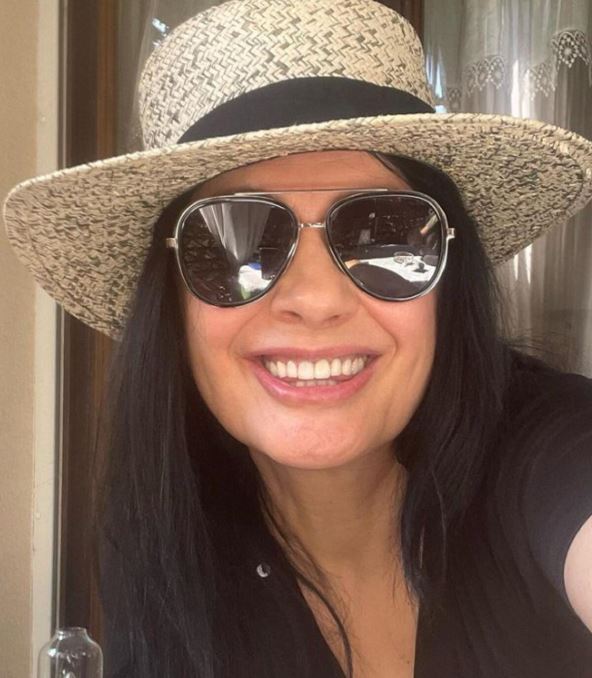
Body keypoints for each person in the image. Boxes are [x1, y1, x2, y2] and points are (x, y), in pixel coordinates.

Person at [4, 1, 592, 677]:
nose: (316, 301)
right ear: (172, 303)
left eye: (387, 235)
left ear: (449, 279)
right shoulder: (165, 542)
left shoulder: (547, 450)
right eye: (235, 242)